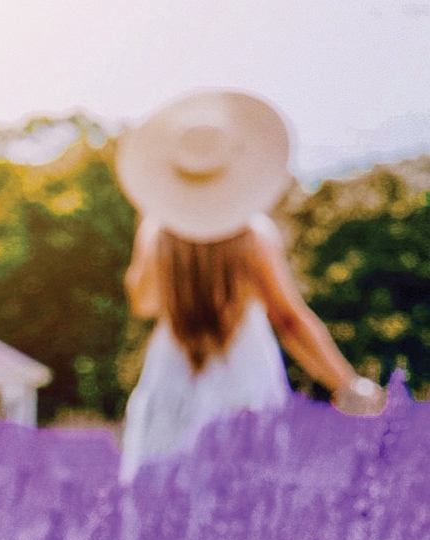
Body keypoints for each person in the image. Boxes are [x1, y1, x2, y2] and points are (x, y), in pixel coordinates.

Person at [114, 90, 386, 484]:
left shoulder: (158, 235)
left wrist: (149, 218)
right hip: (243, 369)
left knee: (162, 496)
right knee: (244, 496)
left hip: (171, 371)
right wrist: (347, 384)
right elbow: (289, 319)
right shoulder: (253, 236)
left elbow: (144, 303)